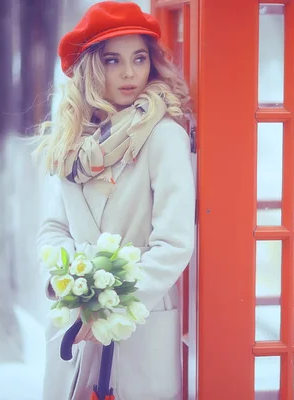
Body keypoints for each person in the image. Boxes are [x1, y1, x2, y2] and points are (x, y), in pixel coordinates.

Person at [32, 2, 195, 399]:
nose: (128, 73)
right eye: (113, 60)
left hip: (138, 313)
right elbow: (54, 227)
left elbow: (174, 243)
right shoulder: (73, 142)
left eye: (139, 59)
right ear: (92, 68)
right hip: (77, 315)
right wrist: (69, 281)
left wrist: (110, 304)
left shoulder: (164, 136)